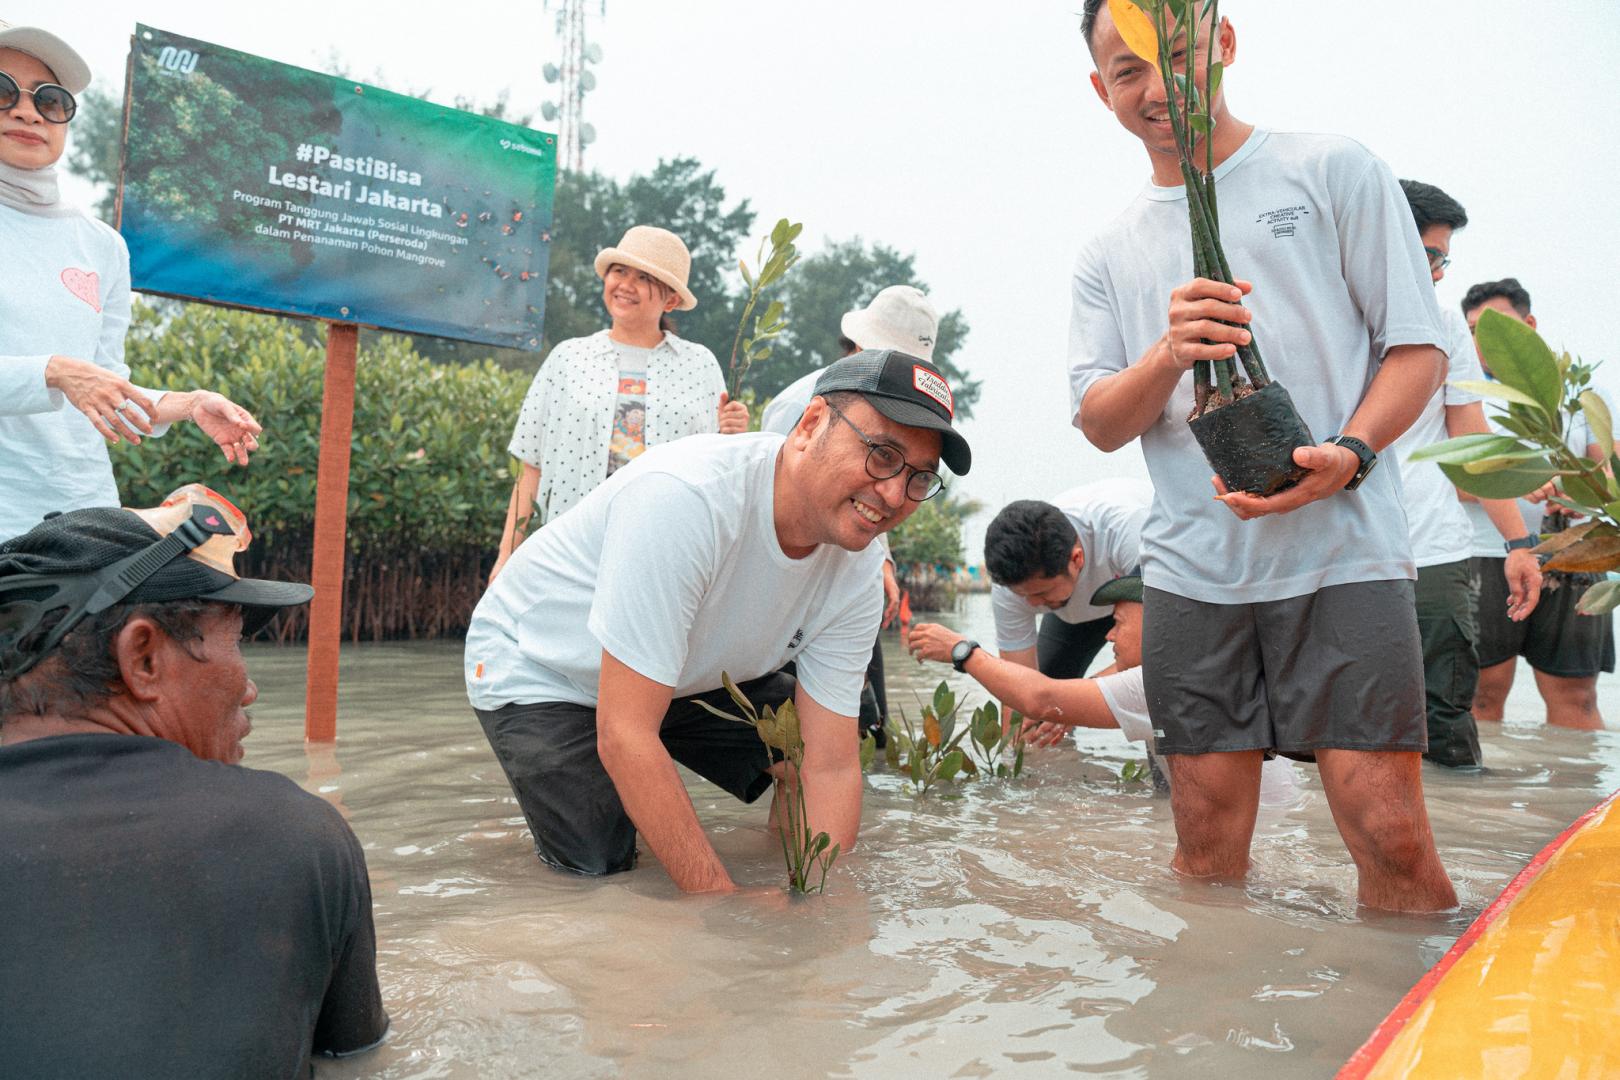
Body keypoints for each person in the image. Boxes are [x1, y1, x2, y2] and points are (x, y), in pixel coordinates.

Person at [1069, 2, 1457, 910]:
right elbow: (1096, 419)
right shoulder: (1108, 248)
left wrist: (1351, 452)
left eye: (1174, 54)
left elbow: (1417, 347)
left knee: (1390, 836)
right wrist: (1168, 353)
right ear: (1102, 92)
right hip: (1195, 573)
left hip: (1345, 554)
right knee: (1204, 850)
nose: (1155, 85)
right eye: (1127, 72)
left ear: (1225, 43)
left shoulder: (1331, 169)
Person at [467, 349, 971, 893]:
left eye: (920, 478)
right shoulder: (686, 500)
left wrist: (819, 909)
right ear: (810, 425)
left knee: (796, 751)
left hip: (687, 673)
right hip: (543, 666)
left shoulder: (860, 567)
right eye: (881, 454)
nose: (895, 494)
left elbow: (829, 765)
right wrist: (724, 905)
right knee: (601, 873)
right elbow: (626, 732)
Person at [0, 485, 388, 1077]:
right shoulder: (294, 835)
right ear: (144, 659)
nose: (249, 687)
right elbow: (355, 1061)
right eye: (235, 640)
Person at [0, 23, 264, 543]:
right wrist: (55, 371)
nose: (28, 111)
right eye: (3, 92)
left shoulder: (103, 246)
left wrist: (189, 404)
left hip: (83, 522)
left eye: (50, 101)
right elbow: (75, 379)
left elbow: (106, 390)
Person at [1387, 181, 1542, 768]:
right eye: (1431, 256)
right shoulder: (1315, 312)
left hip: (1432, 546)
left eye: (1443, 258)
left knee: (1446, 712)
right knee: (1335, 711)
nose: (1440, 274)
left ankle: (1465, 848)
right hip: (1337, 549)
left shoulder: (1445, 324)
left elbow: (1471, 439)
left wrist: (1519, 543)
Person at [492, 224, 750, 577]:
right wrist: (507, 556)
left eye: (645, 277)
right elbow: (529, 466)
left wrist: (733, 435)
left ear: (671, 299)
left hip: (664, 556)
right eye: (620, 271)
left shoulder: (699, 365)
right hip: (570, 552)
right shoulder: (568, 358)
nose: (626, 285)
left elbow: (720, 472)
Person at [905, 573, 1298, 804]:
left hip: (1261, 830)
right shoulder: (1200, 666)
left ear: (1160, 624)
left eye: (1120, 622)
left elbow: (1041, 698)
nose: (1109, 634)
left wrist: (963, 651)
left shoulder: (1165, 681)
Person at [760, 285, 942, 738]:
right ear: (857, 346)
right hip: (792, 584)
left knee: (864, 725)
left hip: (852, 575)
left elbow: (884, 491)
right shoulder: (802, 403)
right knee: (792, 725)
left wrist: (881, 559)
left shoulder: (911, 415)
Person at [1462, 278, 1614, 729]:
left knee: (1578, 697)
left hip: (1573, 556)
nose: (1482, 339)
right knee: (1482, 696)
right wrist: (1521, 479)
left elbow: (1612, 476)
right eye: (1472, 329)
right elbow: (1441, 483)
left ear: (1528, 325)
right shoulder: (1466, 399)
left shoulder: (1584, 397)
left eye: (1495, 325)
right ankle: (1475, 803)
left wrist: (1581, 492)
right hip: (1484, 556)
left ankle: (1571, 800)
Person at [983, 480, 1148, 683]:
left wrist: (1078, 699)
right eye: (1023, 595)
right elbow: (1019, 689)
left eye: (1040, 593)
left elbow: (1159, 649)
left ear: (1076, 559)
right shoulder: (1008, 584)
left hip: (1146, 591)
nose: (1032, 604)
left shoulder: (1130, 534)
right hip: (1072, 611)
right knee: (1046, 696)